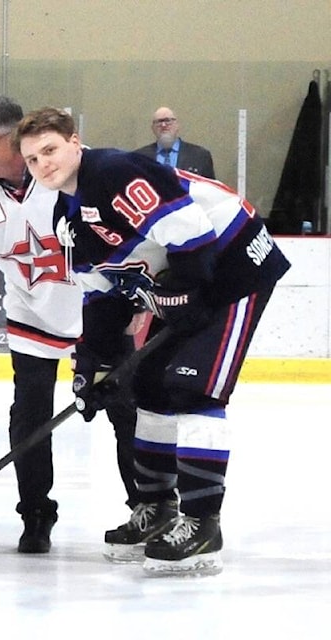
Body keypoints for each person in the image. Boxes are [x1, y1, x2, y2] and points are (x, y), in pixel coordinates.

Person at [17, 107, 290, 575]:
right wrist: (91, 367)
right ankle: (157, 509)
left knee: (193, 387)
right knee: (148, 388)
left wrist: (186, 293)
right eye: (32, 159)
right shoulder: (70, 216)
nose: (43, 164)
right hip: (189, 276)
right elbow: (103, 295)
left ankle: (203, 523)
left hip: (234, 264)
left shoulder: (113, 172)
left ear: (75, 142)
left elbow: (193, 236)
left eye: (50, 150)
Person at [0, 96, 140, 554]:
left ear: (15, 137)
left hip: (99, 314)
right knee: (29, 419)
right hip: (31, 318)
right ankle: (36, 514)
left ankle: (147, 506)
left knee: (127, 413)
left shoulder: (70, 172)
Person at [133, 107, 215, 179]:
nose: (163, 125)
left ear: (177, 125)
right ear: (152, 128)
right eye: (159, 122)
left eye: (168, 120)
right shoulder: (138, 158)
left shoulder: (200, 156)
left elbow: (211, 191)